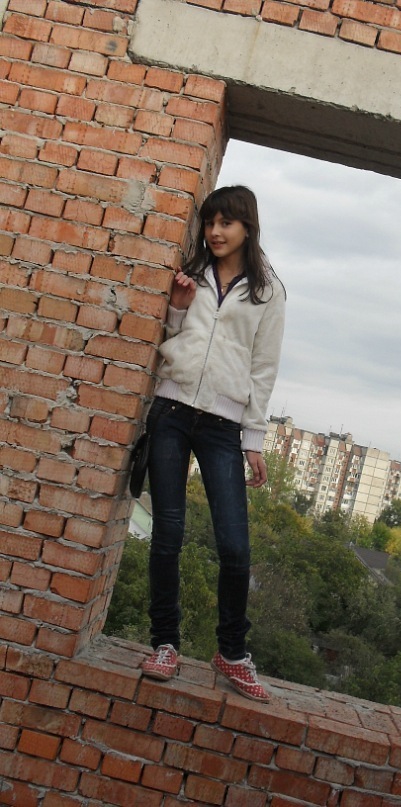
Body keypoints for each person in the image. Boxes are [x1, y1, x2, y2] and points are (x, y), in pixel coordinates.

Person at [140, 185, 286, 703]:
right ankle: (165, 644)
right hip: (172, 411)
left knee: (235, 546)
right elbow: (174, 337)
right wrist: (179, 310)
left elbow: (263, 369)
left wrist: (254, 440)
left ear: (248, 226)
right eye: (210, 223)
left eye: (226, 223)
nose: (215, 232)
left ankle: (232, 652)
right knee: (167, 534)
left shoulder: (268, 293)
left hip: (223, 425)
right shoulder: (192, 274)